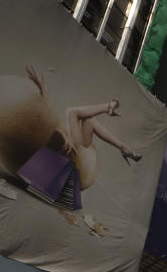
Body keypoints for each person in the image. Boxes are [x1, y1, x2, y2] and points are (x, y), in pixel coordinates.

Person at [15, 65, 141, 210]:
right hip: (78, 160)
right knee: (77, 115)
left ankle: (116, 130)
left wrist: (43, 92)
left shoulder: (41, 127)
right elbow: (50, 120)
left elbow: (49, 118)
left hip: (78, 159)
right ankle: (120, 138)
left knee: (82, 118)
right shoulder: (35, 128)